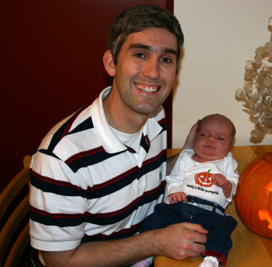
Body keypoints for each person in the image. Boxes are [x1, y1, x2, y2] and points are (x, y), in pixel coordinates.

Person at [29, 5, 208, 267]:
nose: (153, 73)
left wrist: (189, 157)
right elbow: (60, 261)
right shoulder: (63, 159)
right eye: (140, 54)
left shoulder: (155, 116)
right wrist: (155, 242)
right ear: (111, 63)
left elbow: (144, 175)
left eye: (166, 60)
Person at [140, 114, 239, 267]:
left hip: (210, 213)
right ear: (195, 139)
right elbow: (174, 178)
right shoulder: (186, 157)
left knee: (220, 230)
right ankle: (145, 257)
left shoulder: (227, 162)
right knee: (157, 217)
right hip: (181, 206)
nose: (211, 139)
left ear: (230, 146)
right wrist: (175, 192)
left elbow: (233, 184)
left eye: (220, 138)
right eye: (204, 135)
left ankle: (212, 260)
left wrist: (226, 184)